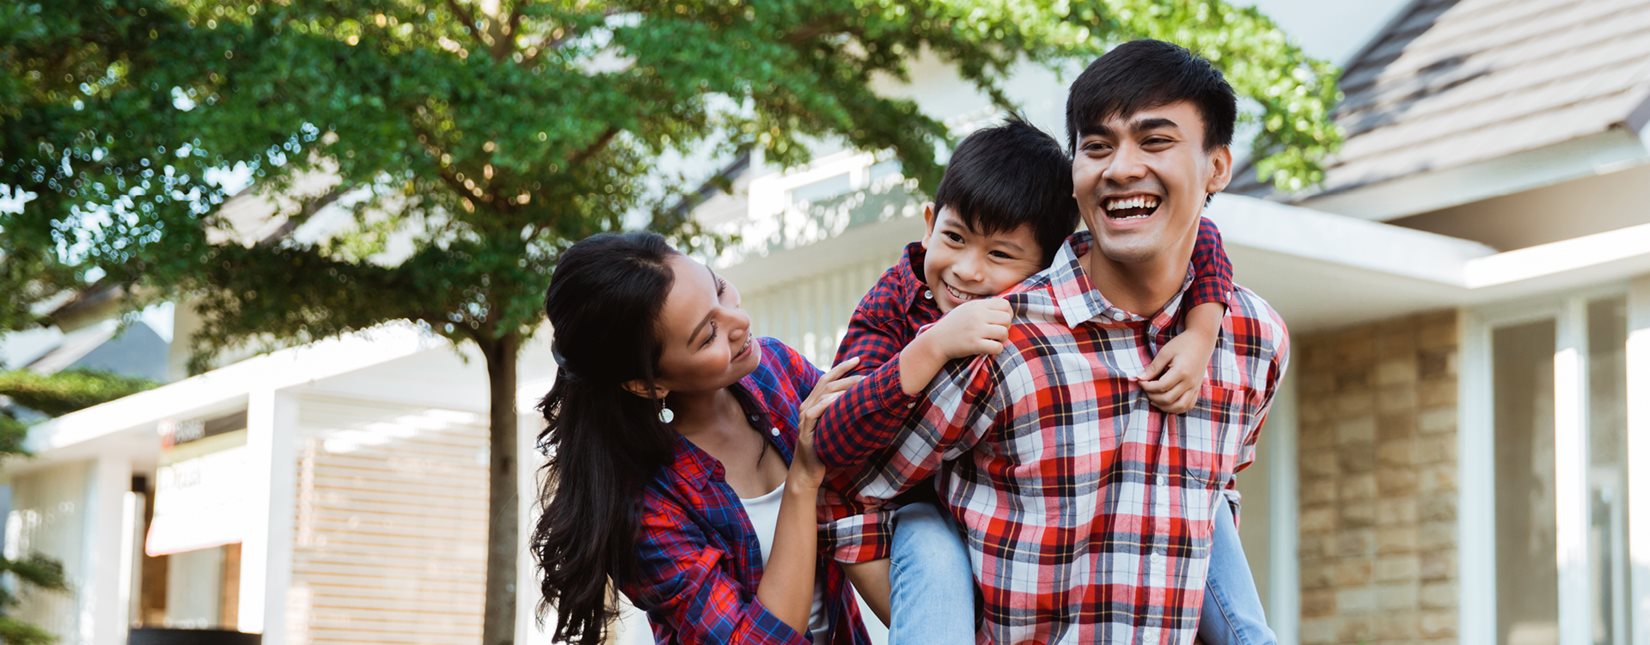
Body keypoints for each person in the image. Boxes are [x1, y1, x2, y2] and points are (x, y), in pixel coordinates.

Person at [823, 39, 1289, 643]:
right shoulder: (996, 338)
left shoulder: (1251, 339)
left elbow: (1217, 490)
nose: (1121, 168)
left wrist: (1203, 325)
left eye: (1155, 141)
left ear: (1217, 167)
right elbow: (846, 488)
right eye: (1097, 146)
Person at [530, 231, 871, 644]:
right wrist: (802, 477)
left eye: (720, 288)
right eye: (708, 335)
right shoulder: (643, 508)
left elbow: (885, 471)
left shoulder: (777, 371)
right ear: (647, 385)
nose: (739, 322)